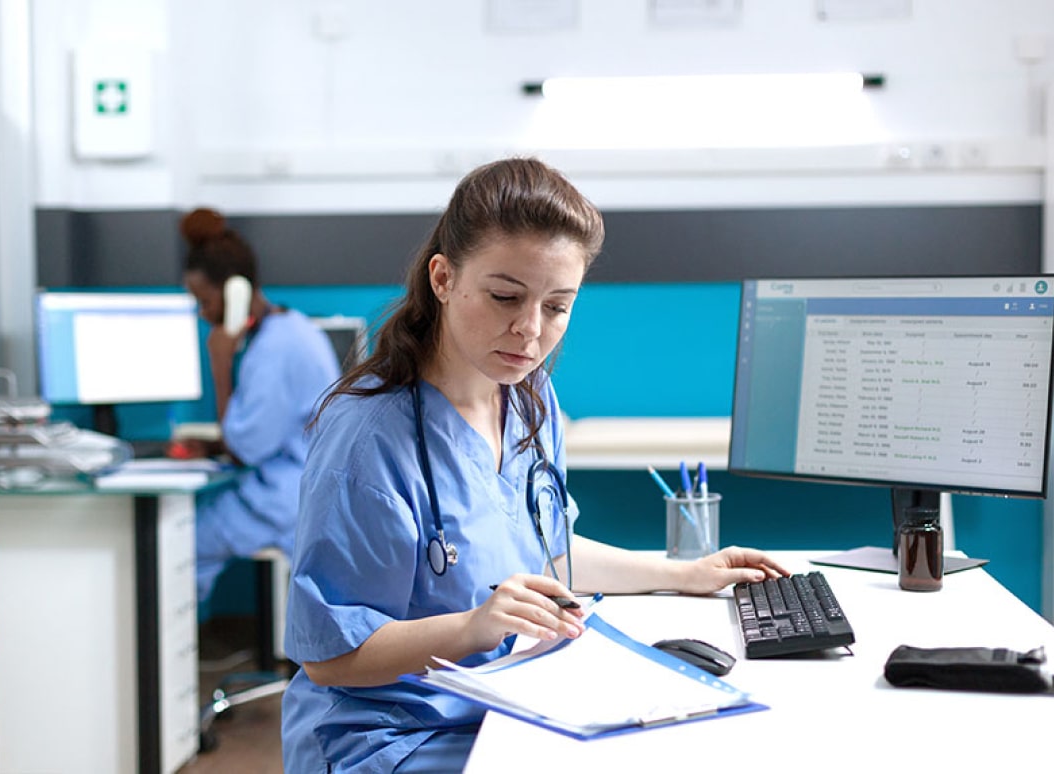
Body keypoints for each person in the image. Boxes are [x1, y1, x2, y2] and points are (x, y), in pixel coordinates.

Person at [281, 158, 787, 773]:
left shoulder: (528, 399)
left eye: (557, 306)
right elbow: (329, 656)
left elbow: (545, 553)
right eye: (505, 297)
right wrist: (474, 626)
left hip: (504, 703)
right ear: (443, 278)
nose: (529, 331)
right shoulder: (368, 440)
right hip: (390, 736)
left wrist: (683, 573)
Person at [180, 207, 341, 604]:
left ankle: (166, 660)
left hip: (285, 499)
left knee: (177, 546)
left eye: (204, 302)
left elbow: (245, 448)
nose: (203, 315)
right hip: (301, 487)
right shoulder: (294, 328)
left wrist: (220, 363)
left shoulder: (272, 351)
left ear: (235, 291)